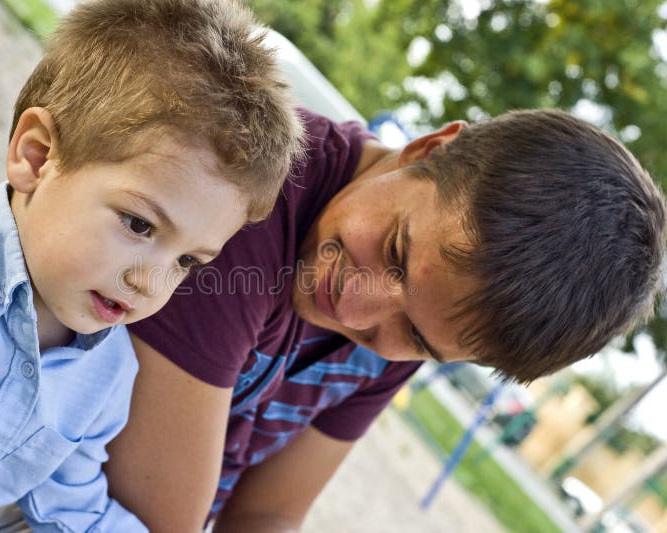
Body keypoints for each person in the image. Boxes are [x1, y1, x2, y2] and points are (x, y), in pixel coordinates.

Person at [105, 107, 667, 531]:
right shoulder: (249, 195)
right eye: (396, 252)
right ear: (428, 149)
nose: (352, 308)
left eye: (416, 337)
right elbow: (155, 515)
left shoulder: (418, 329)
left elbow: (268, 512)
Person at [0, 0, 302, 530]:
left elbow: (74, 507)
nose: (151, 282)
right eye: (140, 225)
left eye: (188, 260)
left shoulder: (106, 377)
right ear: (37, 157)